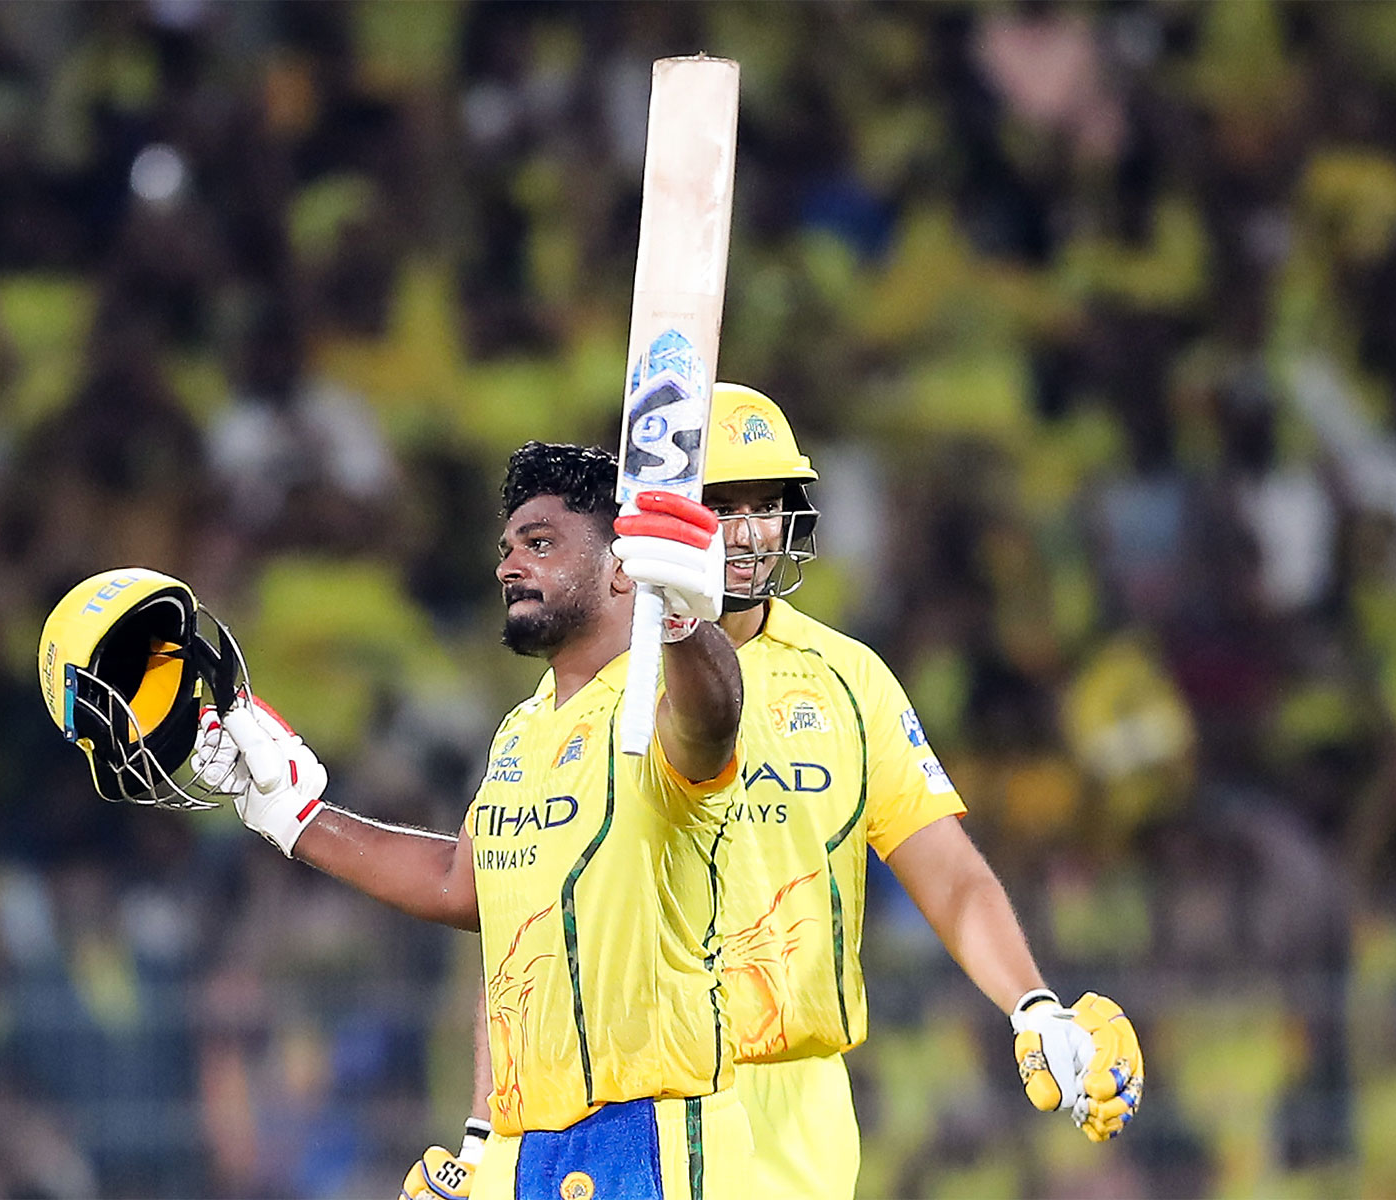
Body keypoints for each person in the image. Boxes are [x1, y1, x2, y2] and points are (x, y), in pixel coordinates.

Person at [413, 386, 1144, 1200]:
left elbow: (949, 870)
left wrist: (1033, 1005)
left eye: (769, 504)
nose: (753, 530)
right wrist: (486, 1138)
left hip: (800, 1102)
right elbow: (530, 929)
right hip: (640, 1108)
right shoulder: (591, 694)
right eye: (723, 505)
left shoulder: (848, 680)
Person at [42, 442, 758, 1200]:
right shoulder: (523, 730)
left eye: (540, 544)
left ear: (622, 566)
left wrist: (680, 620)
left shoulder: (659, 699)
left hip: (655, 1135)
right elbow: (471, 894)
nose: (509, 565)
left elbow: (713, 722)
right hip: (535, 1142)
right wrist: (295, 818)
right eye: (507, 547)